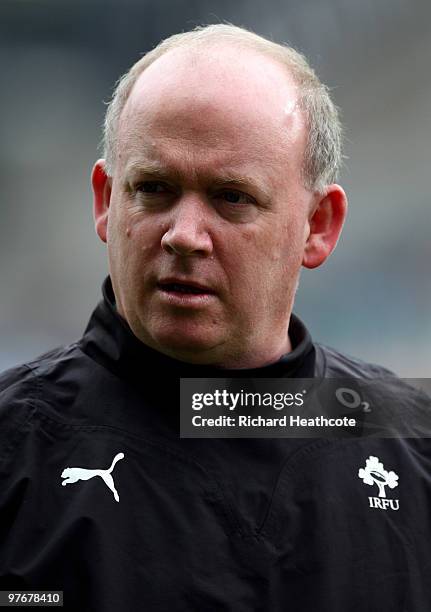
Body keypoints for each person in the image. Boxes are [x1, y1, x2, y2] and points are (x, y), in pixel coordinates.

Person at [0, 24, 429, 612]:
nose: (183, 235)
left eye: (232, 197)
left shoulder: (411, 442)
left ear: (318, 225)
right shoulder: (13, 449)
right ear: (105, 201)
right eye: (153, 188)